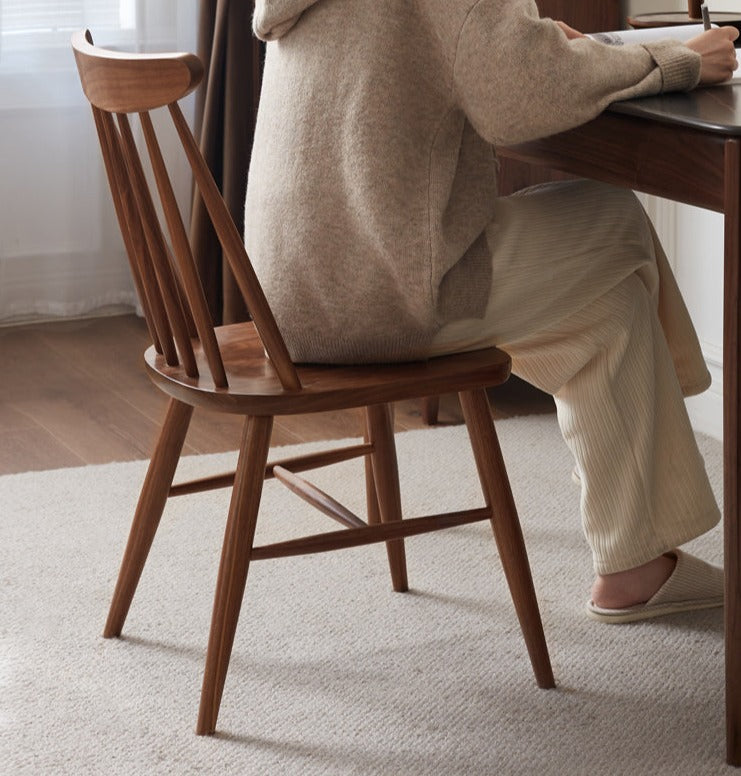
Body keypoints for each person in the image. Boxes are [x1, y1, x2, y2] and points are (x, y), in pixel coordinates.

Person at [244, 0, 739, 622]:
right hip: (386, 296)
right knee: (612, 220)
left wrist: (535, 45)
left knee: (609, 304)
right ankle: (685, 406)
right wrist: (678, 62)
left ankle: (636, 569)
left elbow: (494, 61)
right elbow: (519, 100)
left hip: (294, 292)